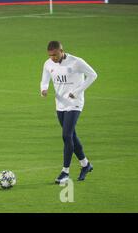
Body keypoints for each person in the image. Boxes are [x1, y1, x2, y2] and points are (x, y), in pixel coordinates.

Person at [40, 41, 97, 184]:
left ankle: (65, 172)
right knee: (71, 135)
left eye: (55, 54)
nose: (52, 58)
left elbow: (93, 75)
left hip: (74, 103)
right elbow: (45, 79)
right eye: (50, 55)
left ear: (62, 51)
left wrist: (77, 92)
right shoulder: (48, 64)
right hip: (60, 104)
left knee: (66, 135)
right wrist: (44, 89)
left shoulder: (76, 62)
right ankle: (85, 164)